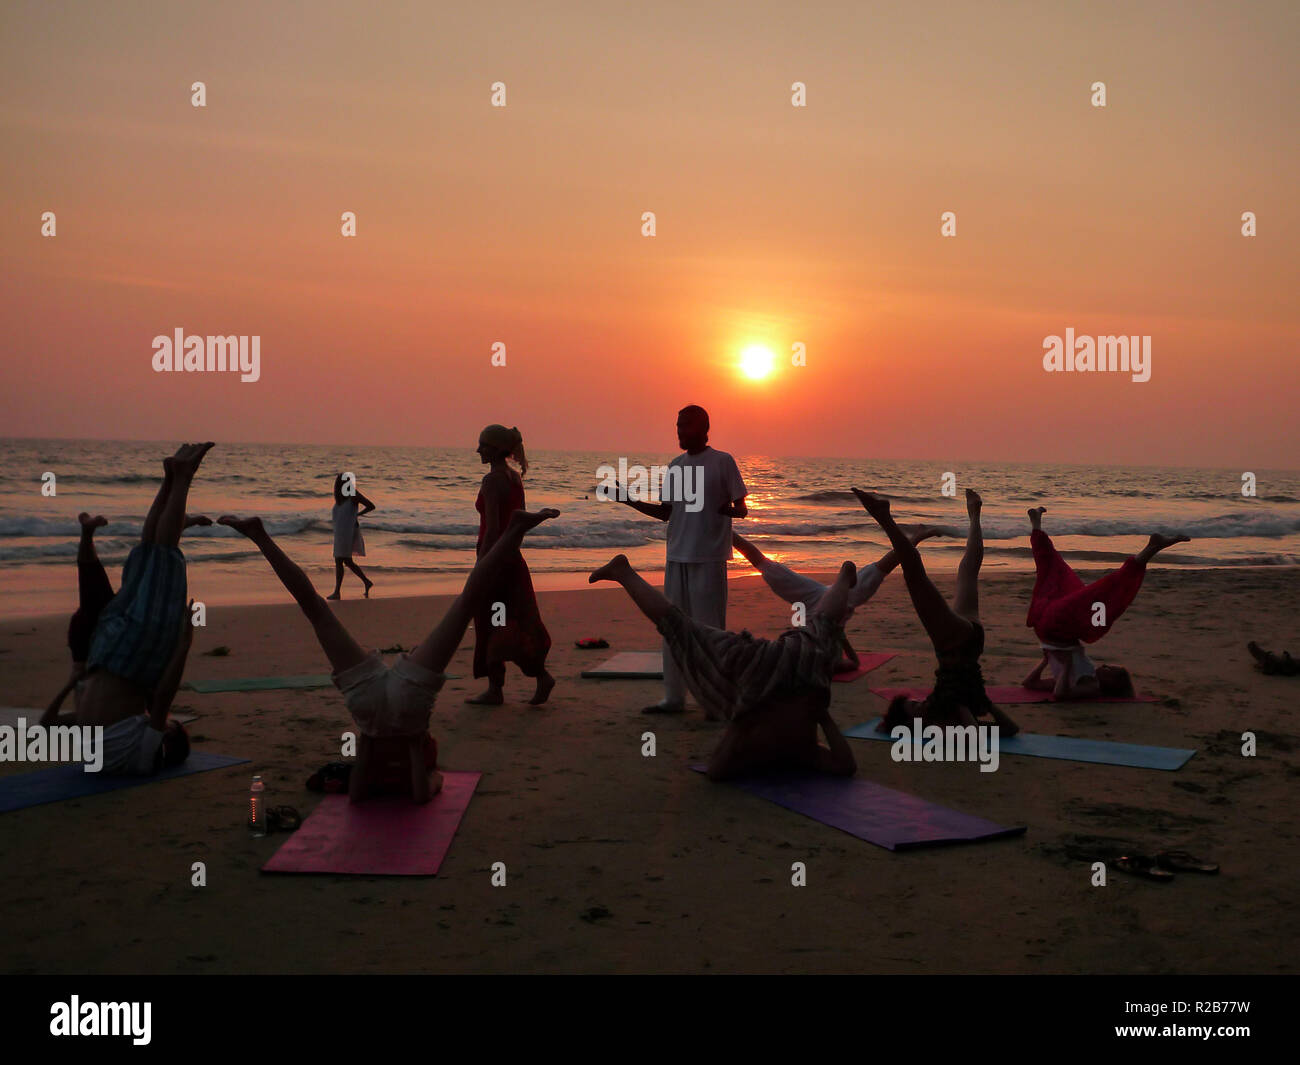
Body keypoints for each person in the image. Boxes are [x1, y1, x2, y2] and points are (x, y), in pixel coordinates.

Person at [219, 506, 560, 803]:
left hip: (408, 705)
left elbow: (419, 796)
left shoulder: (414, 758)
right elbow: (361, 794)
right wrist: (411, 752)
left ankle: (515, 528)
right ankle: (259, 536)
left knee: (466, 602)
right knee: (315, 610)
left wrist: (423, 759)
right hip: (370, 708)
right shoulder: (370, 767)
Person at [589, 553, 857, 780]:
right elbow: (846, 767)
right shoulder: (801, 755)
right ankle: (624, 573)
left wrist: (745, 721)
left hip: (778, 672)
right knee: (680, 627)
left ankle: (844, 577)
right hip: (771, 677)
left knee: (823, 625)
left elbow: (717, 771)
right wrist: (822, 717)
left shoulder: (783, 753)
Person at [43, 443, 214, 774]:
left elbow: (164, 695)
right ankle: (170, 477)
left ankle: (180, 478)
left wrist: (186, 642)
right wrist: (72, 683)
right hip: (102, 652)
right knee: (148, 550)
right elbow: (46, 725)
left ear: (169, 736)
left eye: (172, 725)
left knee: (162, 554)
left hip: (132, 653)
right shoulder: (94, 740)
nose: (164, 721)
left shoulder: (146, 754)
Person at [612, 405, 748, 716]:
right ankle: (673, 698)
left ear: (703, 428)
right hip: (676, 557)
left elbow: (742, 507)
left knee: (710, 631)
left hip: (709, 558)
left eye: (685, 425)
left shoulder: (722, 461)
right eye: (677, 425)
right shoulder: (675, 466)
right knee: (672, 628)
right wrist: (628, 499)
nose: (679, 431)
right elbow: (666, 513)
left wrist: (731, 512)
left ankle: (717, 701)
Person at [853, 487, 1020, 737]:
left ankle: (974, 513)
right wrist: (976, 705)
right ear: (911, 723)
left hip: (967, 643)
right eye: (914, 707)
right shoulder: (934, 725)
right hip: (954, 645)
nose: (920, 702)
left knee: (967, 572)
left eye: (914, 703)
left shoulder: (938, 709)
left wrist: (969, 701)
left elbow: (1004, 730)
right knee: (916, 578)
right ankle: (883, 517)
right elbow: (1000, 731)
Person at [42, 510, 211, 726]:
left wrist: (73, 680)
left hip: (95, 643)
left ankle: (173, 524)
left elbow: (162, 699)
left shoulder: (123, 719)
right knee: (95, 575)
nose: (171, 722)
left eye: (172, 725)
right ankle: (88, 532)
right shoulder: (108, 717)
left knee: (136, 570)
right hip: (104, 641)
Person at [1021, 507, 1189, 699]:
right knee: (1066, 576)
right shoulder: (1088, 676)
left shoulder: (1092, 686)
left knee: (1064, 577)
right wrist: (1056, 661)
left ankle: (1151, 550)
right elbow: (1049, 688)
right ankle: (1036, 525)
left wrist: (1050, 662)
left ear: (1113, 683)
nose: (1106, 666)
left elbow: (1047, 691)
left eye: (1111, 670)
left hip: (1054, 625)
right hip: (1061, 626)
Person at [731, 526, 947, 673]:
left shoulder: (810, 663)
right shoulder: (826, 663)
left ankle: (729, 532)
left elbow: (854, 662)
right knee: (878, 572)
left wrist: (840, 637)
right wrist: (840, 636)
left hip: (819, 608)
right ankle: (915, 538)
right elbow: (854, 663)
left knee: (768, 568)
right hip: (831, 612)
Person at [466, 425, 555, 706]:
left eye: (482, 445)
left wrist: (482, 565)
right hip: (512, 559)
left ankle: (496, 690)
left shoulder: (492, 481)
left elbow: (492, 528)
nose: (478, 450)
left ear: (495, 448)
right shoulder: (515, 478)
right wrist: (510, 551)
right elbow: (520, 522)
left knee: (492, 622)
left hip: (493, 561)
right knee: (519, 620)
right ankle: (540, 676)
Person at [328, 473, 374, 600]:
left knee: (339, 560)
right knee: (347, 561)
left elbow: (371, 505)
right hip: (340, 531)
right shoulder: (340, 498)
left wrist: (358, 514)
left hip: (347, 531)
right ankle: (366, 582)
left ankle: (337, 592)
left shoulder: (353, 495)